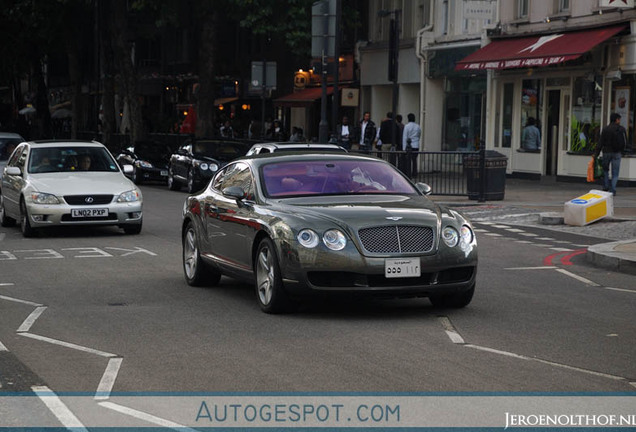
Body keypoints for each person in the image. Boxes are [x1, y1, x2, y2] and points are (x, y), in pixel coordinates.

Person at [594, 113, 627, 195]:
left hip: (606, 152)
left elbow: (600, 142)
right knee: (615, 173)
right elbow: (625, 142)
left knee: (605, 170)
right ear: (617, 120)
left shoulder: (605, 129)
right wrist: (623, 151)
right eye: (619, 119)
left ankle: (605, 186)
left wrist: (596, 153)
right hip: (617, 153)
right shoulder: (621, 129)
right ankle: (612, 190)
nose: (619, 121)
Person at [402, 113, 422, 179]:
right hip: (416, 145)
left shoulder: (407, 126)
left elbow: (405, 137)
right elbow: (419, 135)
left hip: (409, 146)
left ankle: (409, 173)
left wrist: (404, 147)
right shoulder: (417, 126)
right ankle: (414, 173)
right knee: (414, 160)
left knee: (408, 161)